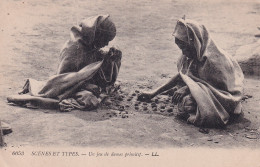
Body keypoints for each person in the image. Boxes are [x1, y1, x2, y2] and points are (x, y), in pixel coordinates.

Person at [138, 18, 244, 128]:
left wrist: (188, 88)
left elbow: (220, 89)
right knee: (185, 101)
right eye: (181, 48)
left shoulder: (215, 61)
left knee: (187, 104)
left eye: (185, 48)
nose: (183, 52)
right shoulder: (191, 54)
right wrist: (153, 93)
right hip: (204, 90)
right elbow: (182, 76)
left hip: (225, 95)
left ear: (195, 43)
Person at [7, 15, 122, 112]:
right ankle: (40, 101)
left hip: (80, 82)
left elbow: (91, 66)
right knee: (89, 99)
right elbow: (64, 79)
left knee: (101, 88)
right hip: (68, 86)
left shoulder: (91, 43)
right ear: (96, 35)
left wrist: (110, 59)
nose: (106, 43)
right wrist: (88, 85)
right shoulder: (74, 48)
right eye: (105, 39)